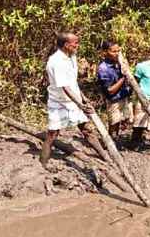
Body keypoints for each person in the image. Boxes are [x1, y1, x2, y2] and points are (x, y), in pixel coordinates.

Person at [41, 32, 105, 169]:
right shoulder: (56, 62)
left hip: (73, 99)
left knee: (87, 129)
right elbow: (64, 87)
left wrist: (83, 98)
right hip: (59, 101)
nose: (77, 45)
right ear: (66, 45)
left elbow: (72, 82)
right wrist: (80, 104)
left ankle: (104, 156)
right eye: (75, 43)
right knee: (52, 134)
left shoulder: (72, 57)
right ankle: (43, 163)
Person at [97, 40, 132, 149]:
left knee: (124, 120)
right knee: (114, 123)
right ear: (105, 52)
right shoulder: (103, 69)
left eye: (118, 51)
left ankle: (115, 142)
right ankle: (109, 145)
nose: (117, 53)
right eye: (113, 51)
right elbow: (110, 91)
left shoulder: (118, 63)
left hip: (123, 96)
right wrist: (123, 78)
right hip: (113, 100)